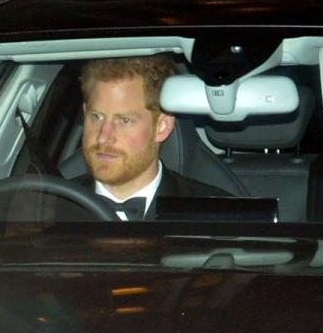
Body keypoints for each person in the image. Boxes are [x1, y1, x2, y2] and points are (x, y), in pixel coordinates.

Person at [74, 56, 227, 221]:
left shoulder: (212, 214)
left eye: (125, 121)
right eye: (96, 117)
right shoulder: (50, 208)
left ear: (162, 126)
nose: (104, 137)